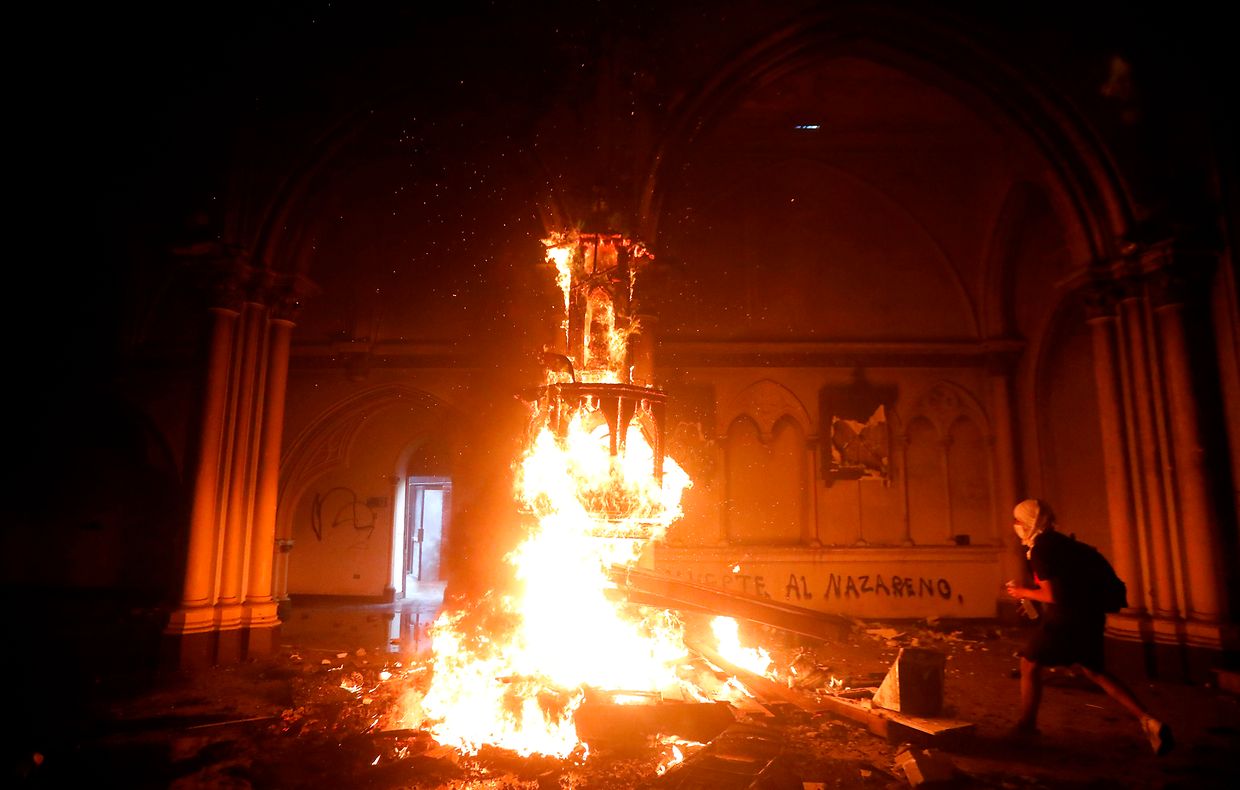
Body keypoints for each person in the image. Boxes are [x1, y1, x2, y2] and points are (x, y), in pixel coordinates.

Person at [1003, 498, 1173, 755]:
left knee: (1029, 663)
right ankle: (1149, 720)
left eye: (1017, 520)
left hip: (1065, 620)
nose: (1015, 525)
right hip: (1089, 615)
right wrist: (1031, 595)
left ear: (1029, 521)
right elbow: (1066, 584)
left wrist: (1021, 591)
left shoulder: (1041, 549)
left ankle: (1026, 727)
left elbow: (1053, 595)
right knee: (1094, 670)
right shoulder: (1063, 543)